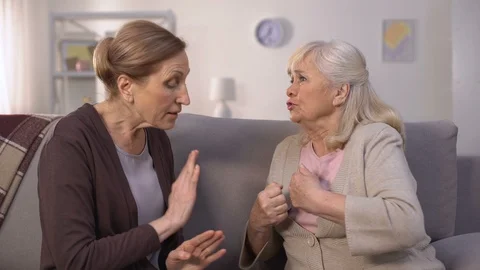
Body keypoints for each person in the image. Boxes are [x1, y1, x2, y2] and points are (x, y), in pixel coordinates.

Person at [239, 40, 445, 269]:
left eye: (302, 79)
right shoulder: (286, 150)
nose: (290, 89)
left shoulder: (376, 139)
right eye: (291, 80)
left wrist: (317, 200)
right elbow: (266, 253)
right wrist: (258, 221)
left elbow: (407, 223)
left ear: (339, 92)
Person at [38, 20, 226, 270]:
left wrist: (172, 263)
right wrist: (170, 220)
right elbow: (76, 261)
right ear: (126, 86)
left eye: (184, 81)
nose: (186, 97)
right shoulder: (70, 142)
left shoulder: (156, 138)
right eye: (172, 82)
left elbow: (159, 246)